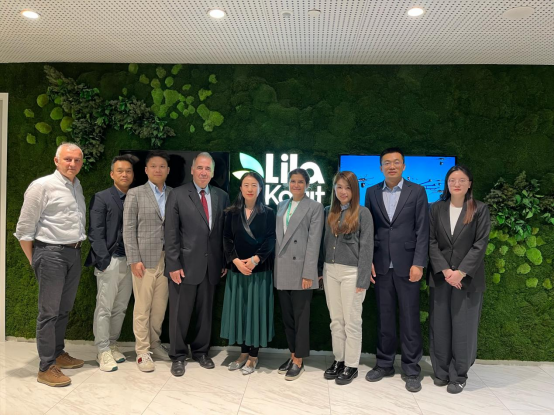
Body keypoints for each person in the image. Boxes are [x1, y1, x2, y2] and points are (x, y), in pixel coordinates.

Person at [14, 143, 86, 387]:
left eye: (77, 160)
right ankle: (45, 367)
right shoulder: (42, 186)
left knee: (63, 310)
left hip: (74, 252)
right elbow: (24, 229)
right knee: (48, 313)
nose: (72, 164)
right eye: (67, 159)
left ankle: (57, 353)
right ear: (56, 160)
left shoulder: (76, 186)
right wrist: (36, 259)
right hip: (51, 253)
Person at [364, 148, 429, 393]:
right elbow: (369, 229)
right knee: (384, 318)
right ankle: (384, 364)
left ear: (403, 166)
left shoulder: (417, 191)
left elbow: (423, 230)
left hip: (408, 265)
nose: (391, 166)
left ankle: (411, 369)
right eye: (387, 163)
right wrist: (369, 260)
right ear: (381, 167)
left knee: (410, 319)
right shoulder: (371, 192)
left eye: (396, 162)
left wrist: (419, 263)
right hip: (381, 265)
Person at [164, 152, 230, 377]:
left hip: (212, 266)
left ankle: (201, 352)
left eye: (207, 169)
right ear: (192, 170)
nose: (203, 172)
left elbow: (223, 233)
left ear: (212, 173)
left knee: (205, 314)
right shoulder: (178, 194)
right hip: (183, 266)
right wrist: (173, 264)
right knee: (179, 315)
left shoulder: (222, 196)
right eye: (200, 168)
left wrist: (223, 260)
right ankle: (178, 356)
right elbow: (171, 232)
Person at [428, 165, 490, 395]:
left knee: (464, 328)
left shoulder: (479, 209)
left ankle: (459, 375)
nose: (456, 184)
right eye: (452, 180)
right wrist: (446, 271)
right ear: (447, 183)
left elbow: (480, 244)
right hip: (441, 278)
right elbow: (430, 241)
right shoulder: (436, 208)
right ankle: (442, 372)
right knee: (440, 326)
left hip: (468, 280)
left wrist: (460, 272)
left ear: (469, 183)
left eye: (462, 180)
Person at [319, 171, 374, 385]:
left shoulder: (363, 213)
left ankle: (351, 365)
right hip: (330, 271)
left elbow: (367, 247)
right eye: (339, 187)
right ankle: (339, 360)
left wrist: (363, 279)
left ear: (354, 190)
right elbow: (322, 244)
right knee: (336, 320)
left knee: (352, 321)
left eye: (348, 187)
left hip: (352, 273)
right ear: (334, 189)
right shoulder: (328, 212)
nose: (343, 191)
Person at [85, 154, 137, 372]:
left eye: (128, 171)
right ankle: (102, 349)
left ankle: (112, 344)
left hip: (131, 261)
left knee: (121, 307)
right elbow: (95, 232)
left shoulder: (135, 196)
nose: (124, 174)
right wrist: (103, 260)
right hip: (110, 260)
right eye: (120, 171)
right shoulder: (102, 197)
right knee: (104, 307)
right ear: (112, 174)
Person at [221, 172, 276, 375]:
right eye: (246, 185)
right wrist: (235, 260)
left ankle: (253, 356)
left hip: (259, 271)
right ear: (241, 188)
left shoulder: (268, 213)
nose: (250, 189)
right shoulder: (231, 213)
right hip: (237, 271)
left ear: (260, 188)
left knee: (256, 312)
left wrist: (254, 260)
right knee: (241, 312)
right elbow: (226, 238)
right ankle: (243, 353)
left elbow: (270, 239)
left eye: (254, 185)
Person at [123, 150, 172, 372]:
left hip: (167, 260)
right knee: (142, 307)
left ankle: (155, 344)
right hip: (143, 260)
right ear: (146, 170)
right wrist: (134, 259)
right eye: (153, 166)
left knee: (159, 307)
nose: (158, 170)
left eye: (162, 166)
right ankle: (142, 351)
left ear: (168, 170)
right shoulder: (135, 193)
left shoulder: (174, 194)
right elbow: (128, 228)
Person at [274, 168, 324, 381]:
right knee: (288, 318)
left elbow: (314, 242)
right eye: (293, 181)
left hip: (302, 271)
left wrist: (309, 273)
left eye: (300, 182)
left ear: (307, 185)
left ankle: (299, 360)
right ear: (288, 183)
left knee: (301, 318)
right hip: (282, 269)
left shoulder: (315, 207)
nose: (296, 185)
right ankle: (292, 354)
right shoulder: (281, 205)